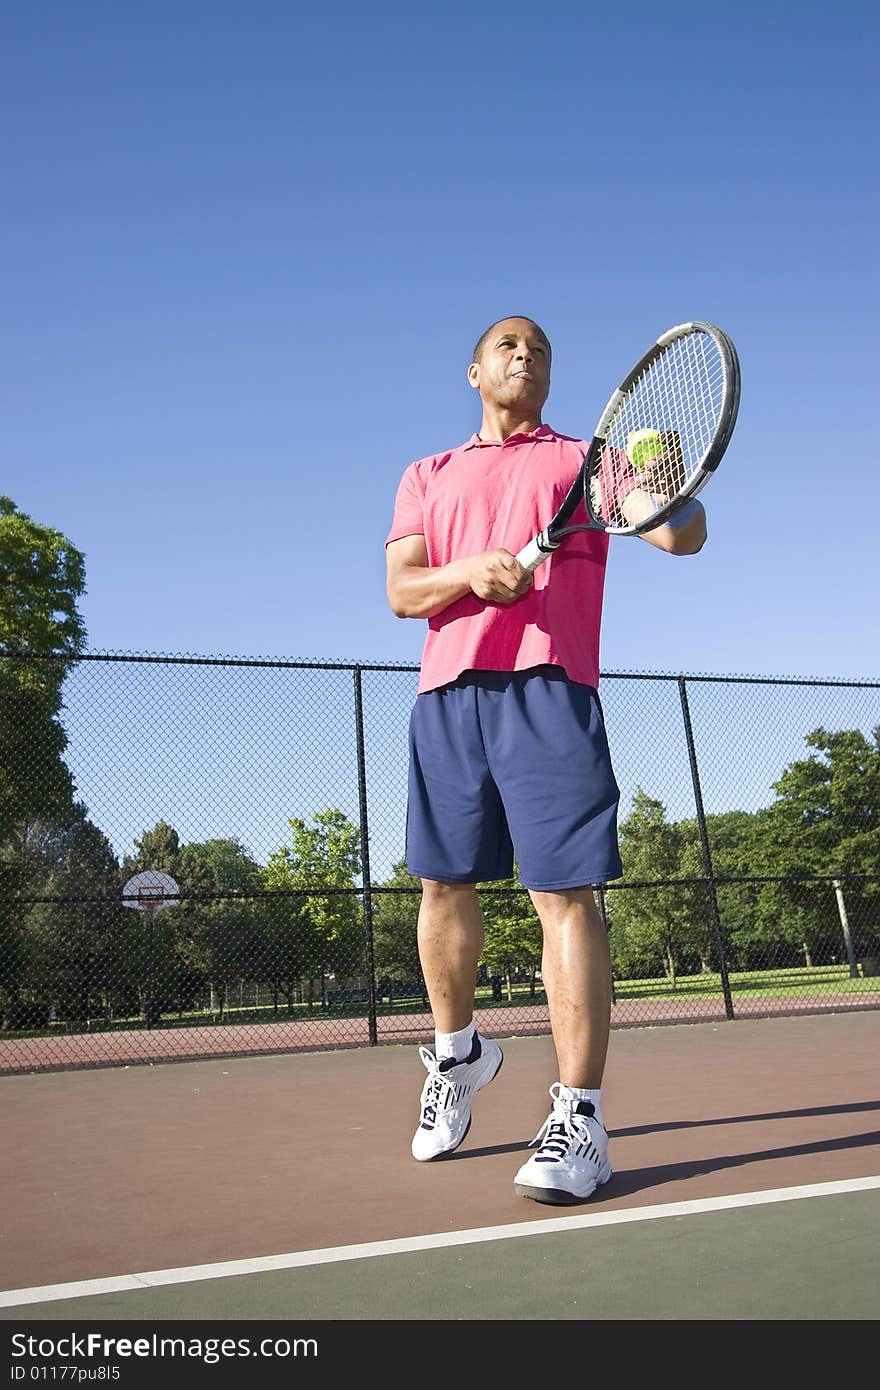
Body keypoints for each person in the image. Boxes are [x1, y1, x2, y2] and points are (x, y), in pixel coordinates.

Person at [384, 316, 707, 1204]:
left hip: (550, 688)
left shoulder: (585, 462)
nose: (525, 355)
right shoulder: (427, 475)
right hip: (447, 696)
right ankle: (458, 1059)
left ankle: (582, 1117)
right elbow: (402, 591)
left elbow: (682, 537)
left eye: (540, 350)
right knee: (442, 885)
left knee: (562, 895)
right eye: (507, 346)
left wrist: (668, 487)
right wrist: (469, 574)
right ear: (474, 372)